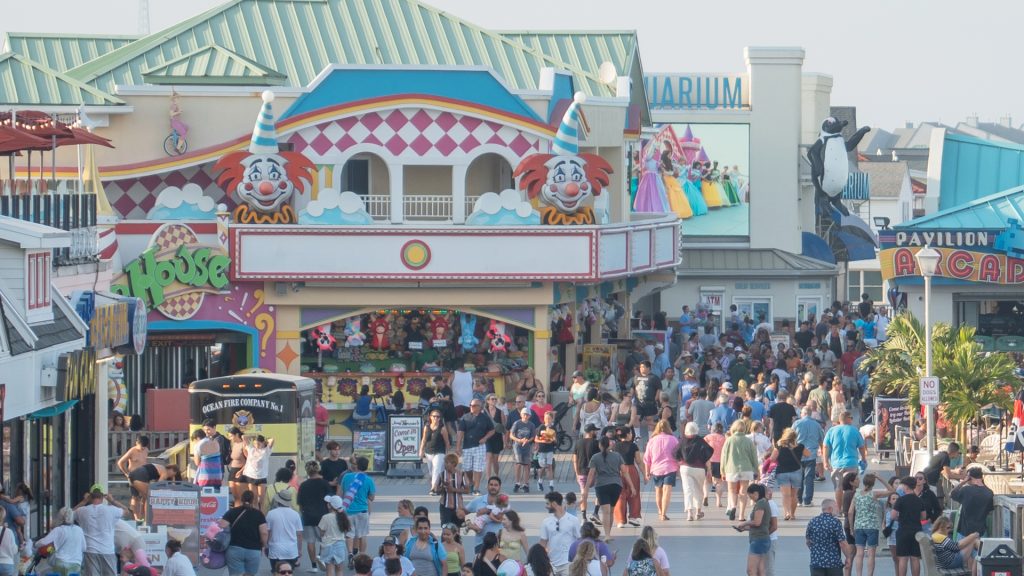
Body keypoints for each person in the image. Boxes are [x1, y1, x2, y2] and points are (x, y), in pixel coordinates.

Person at [74, 485, 128, 576]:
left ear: (90, 496)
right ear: (102, 497)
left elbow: (69, 513)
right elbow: (126, 511)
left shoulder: (82, 511)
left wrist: (84, 501)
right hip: (107, 550)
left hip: (90, 549)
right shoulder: (111, 510)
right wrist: (112, 500)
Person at [823, 411, 867, 508]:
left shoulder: (831, 431)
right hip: (851, 463)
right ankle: (849, 508)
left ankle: (839, 509)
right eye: (851, 418)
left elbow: (826, 446)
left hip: (836, 464)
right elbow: (861, 446)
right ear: (847, 419)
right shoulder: (855, 431)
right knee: (851, 487)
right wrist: (863, 459)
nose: (852, 419)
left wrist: (825, 461)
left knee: (838, 487)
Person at [219, 490, 269, 576]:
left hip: (234, 549)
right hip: (254, 550)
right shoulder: (259, 514)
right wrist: (265, 545)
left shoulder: (232, 512)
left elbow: (221, 525)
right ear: (253, 500)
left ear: (241, 499)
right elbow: (264, 532)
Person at [341, 456, 376, 565]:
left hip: (348, 510)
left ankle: (350, 553)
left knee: (349, 534)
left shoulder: (346, 477)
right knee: (362, 534)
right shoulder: (369, 480)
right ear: (367, 467)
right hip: (362, 510)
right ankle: (361, 555)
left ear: (356, 465)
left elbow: (343, 492)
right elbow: (371, 497)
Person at [456, 398, 495, 495]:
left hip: (479, 446)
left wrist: (485, 438)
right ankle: (471, 482)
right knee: (467, 468)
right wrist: (458, 446)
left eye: (474, 405)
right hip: (467, 446)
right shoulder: (465, 417)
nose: (471, 407)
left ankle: (476, 488)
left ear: (479, 407)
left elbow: (492, 430)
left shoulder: (485, 418)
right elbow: (460, 432)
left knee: (478, 467)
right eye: (470, 405)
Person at [721, 420, 758, 521]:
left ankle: (733, 506)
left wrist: (722, 470)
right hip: (746, 469)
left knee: (732, 490)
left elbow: (724, 456)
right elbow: (753, 456)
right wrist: (756, 469)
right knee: (743, 492)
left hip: (731, 469)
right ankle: (741, 515)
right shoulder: (748, 441)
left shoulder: (729, 440)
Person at [642, 420, 678, 522]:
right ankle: (663, 514)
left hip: (656, 469)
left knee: (658, 491)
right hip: (670, 468)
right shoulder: (673, 439)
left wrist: (647, 472)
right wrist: (679, 467)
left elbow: (647, 458)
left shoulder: (652, 440)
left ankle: (660, 510)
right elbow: (678, 454)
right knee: (667, 491)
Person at [676, 422, 713, 521]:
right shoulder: (701, 441)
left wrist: (680, 462)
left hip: (685, 468)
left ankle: (689, 513)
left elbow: (675, 453)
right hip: (699, 469)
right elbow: (708, 456)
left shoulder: (682, 441)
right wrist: (709, 470)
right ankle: (698, 512)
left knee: (688, 490)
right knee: (698, 490)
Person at [298, 460, 330, 573]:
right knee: (324, 540)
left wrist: (304, 511)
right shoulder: (324, 483)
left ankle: (314, 566)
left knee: (310, 542)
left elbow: (300, 502)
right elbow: (329, 500)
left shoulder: (303, 485)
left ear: (307, 471)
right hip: (322, 515)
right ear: (318, 469)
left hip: (308, 516)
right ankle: (321, 556)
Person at [849, 474, 884, 576]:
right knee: (871, 553)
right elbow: (891, 490)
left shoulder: (857, 494)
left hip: (859, 526)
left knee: (859, 553)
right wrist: (879, 477)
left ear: (863, 482)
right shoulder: (874, 494)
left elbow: (850, 512)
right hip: (872, 526)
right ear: (873, 483)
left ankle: (859, 574)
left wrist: (852, 528)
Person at [806, 499, 852, 576]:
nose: (838, 509)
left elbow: (808, 541)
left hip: (816, 562)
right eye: (836, 507)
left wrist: (816, 551)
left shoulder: (812, 521)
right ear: (830, 509)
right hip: (833, 563)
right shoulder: (835, 522)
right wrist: (848, 557)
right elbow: (842, 543)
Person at [771, 428, 809, 521]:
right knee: (794, 495)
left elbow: (772, 458)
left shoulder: (779, 446)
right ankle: (792, 514)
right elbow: (808, 454)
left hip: (782, 472)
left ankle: (787, 513)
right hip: (796, 472)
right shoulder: (800, 446)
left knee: (785, 495)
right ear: (795, 437)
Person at [540, 492, 582, 575]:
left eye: (548, 503)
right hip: (551, 564)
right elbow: (542, 543)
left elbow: (580, 541)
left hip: (568, 563)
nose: (546, 506)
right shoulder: (546, 522)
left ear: (554, 504)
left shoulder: (573, 520)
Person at [36, 507, 86, 576]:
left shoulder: (59, 530)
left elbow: (44, 542)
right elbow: (84, 548)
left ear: (60, 517)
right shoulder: (79, 530)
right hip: (76, 563)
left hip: (61, 563)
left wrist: (36, 544)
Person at [735, 484, 772, 576]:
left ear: (755, 493)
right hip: (762, 538)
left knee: (751, 570)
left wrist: (744, 523)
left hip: (758, 540)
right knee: (760, 569)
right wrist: (745, 529)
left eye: (750, 496)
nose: (750, 498)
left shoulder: (760, 503)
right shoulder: (764, 502)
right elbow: (761, 525)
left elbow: (757, 522)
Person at [792, 406, 825, 506]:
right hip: (811, 454)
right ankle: (807, 500)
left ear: (803, 413)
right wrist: (822, 453)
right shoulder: (816, 425)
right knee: (809, 478)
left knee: (799, 477)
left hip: (798, 454)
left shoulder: (796, 424)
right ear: (810, 414)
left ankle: (799, 500)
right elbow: (821, 439)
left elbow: (791, 438)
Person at [612, 427, 643, 529]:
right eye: (630, 433)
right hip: (631, 470)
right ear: (628, 434)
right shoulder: (633, 446)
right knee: (634, 493)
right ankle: (633, 517)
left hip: (618, 471)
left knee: (620, 495)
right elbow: (638, 461)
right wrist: (645, 473)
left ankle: (620, 520)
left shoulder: (615, 446)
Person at [893, 476, 924, 576]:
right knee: (915, 558)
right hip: (917, 531)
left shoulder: (901, 500)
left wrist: (901, 518)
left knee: (903, 558)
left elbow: (893, 516)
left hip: (903, 531)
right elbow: (924, 516)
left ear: (906, 486)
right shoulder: (919, 500)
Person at [951, 467, 994, 538]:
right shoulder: (989, 493)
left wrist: (963, 482)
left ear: (969, 478)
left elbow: (952, 494)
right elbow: (989, 511)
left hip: (964, 531)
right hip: (980, 532)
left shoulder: (966, 490)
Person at [267, 489, 304, 572]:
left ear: (278, 500)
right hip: (291, 550)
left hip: (275, 549)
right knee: (288, 572)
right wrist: (299, 550)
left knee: (277, 572)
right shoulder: (295, 514)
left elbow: (268, 532)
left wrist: (265, 546)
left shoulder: (271, 514)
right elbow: (299, 534)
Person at [319, 495, 352, 576]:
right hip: (340, 545)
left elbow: (321, 533)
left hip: (328, 545)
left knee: (329, 570)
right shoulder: (343, 517)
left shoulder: (326, 517)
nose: (327, 504)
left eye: (328, 503)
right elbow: (346, 533)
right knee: (339, 570)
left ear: (330, 506)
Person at [420, 409, 451, 496]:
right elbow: (424, 440)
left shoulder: (442, 428)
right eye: (434, 416)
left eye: (438, 417)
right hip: (428, 452)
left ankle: (433, 488)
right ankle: (438, 487)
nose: (436, 418)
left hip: (439, 451)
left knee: (436, 469)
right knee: (431, 471)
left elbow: (447, 442)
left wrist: (447, 454)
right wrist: (421, 450)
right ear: (430, 417)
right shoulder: (427, 427)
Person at [240, 435, 275, 506]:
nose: (256, 445)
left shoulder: (266, 451)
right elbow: (243, 437)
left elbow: (272, 439)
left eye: (259, 443)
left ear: (263, 443)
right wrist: (253, 436)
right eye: (255, 443)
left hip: (261, 477)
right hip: (251, 476)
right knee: (254, 499)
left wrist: (265, 441)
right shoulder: (251, 449)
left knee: (261, 500)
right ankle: (254, 514)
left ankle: (261, 514)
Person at [436, 454, 468, 527]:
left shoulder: (462, 474)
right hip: (445, 506)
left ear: (454, 464)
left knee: (457, 529)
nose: (445, 465)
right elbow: (436, 490)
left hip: (458, 507)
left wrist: (453, 489)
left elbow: (467, 490)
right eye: (445, 462)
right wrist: (444, 487)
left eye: (447, 463)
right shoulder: (441, 474)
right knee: (446, 527)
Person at [512, 408, 538, 494]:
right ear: (521, 415)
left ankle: (526, 484)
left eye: (527, 414)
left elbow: (532, 436)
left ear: (529, 416)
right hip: (517, 446)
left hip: (527, 446)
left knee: (527, 465)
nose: (525, 416)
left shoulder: (531, 425)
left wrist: (528, 440)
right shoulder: (517, 423)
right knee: (518, 463)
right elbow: (511, 435)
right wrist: (519, 440)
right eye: (524, 414)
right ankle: (517, 482)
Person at [483, 394, 506, 481]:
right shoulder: (483, 412)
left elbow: (503, 428)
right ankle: (489, 478)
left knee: (495, 460)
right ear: (488, 401)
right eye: (492, 399)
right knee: (488, 457)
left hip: (497, 437)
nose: (494, 401)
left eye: (495, 399)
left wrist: (505, 441)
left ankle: (496, 475)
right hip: (487, 437)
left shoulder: (500, 412)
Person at [195, 423, 225, 489]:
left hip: (205, 475)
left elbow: (197, 462)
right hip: (217, 474)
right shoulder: (216, 441)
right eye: (205, 430)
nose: (206, 432)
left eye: (208, 429)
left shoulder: (199, 444)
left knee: (204, 496)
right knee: (216, 496)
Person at [535, 411, 558, 493]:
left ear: (552, 419)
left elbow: (555, 440)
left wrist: (553, 440)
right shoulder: (541, 427)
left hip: (550, 449)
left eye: (549, 418)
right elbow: (536, 439)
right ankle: (540, 481)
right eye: (546, 418)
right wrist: (541, 441)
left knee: (549, 466)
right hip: (541, 450)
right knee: (543, 466)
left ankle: (551, 484)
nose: (547, 420)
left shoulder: (553, 428)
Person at [227, 427, 248, 502]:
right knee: (235, 497)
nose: (230, 438)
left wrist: (241, 471)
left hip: (241, 471)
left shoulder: (243, 444)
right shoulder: (234, 444)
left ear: (236, 435)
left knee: (241, 497)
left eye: (231, 436)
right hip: (233, 470)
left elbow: (249, 460)